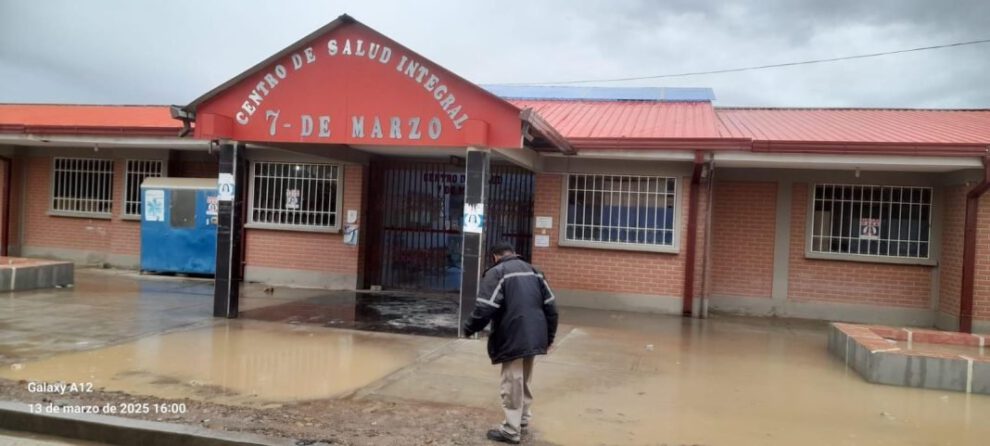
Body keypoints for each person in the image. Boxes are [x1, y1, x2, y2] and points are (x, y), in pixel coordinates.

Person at [463, 242, 559, 444]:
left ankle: (510, 431)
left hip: (513, 335)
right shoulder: (534, 271)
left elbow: (485, 307)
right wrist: (549, 337)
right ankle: (522, 420)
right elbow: (551, 307)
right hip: (535, 334)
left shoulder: (497, 273)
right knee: (524, 379)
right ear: (514, 253)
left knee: (512, 382)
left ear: (495, 257)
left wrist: (469, 328)